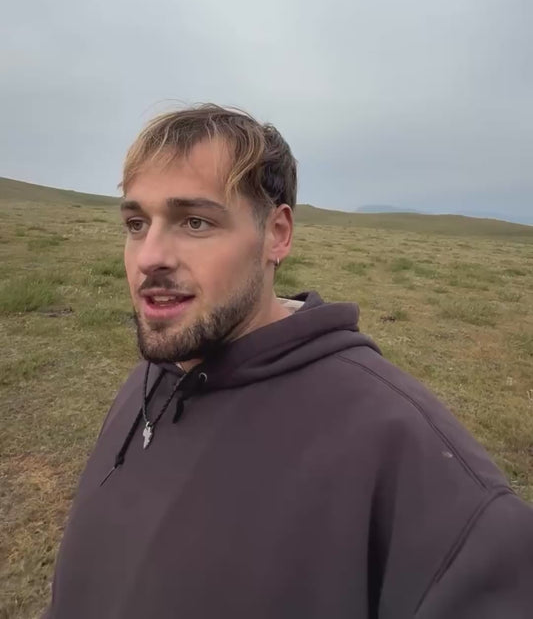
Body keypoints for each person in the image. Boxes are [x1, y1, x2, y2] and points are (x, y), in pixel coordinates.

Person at [42, 104, 533, 618]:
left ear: (277, 234)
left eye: (195, 221)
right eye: (137, 223)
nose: (149, 257)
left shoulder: (403, 448)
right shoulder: (150, 378)